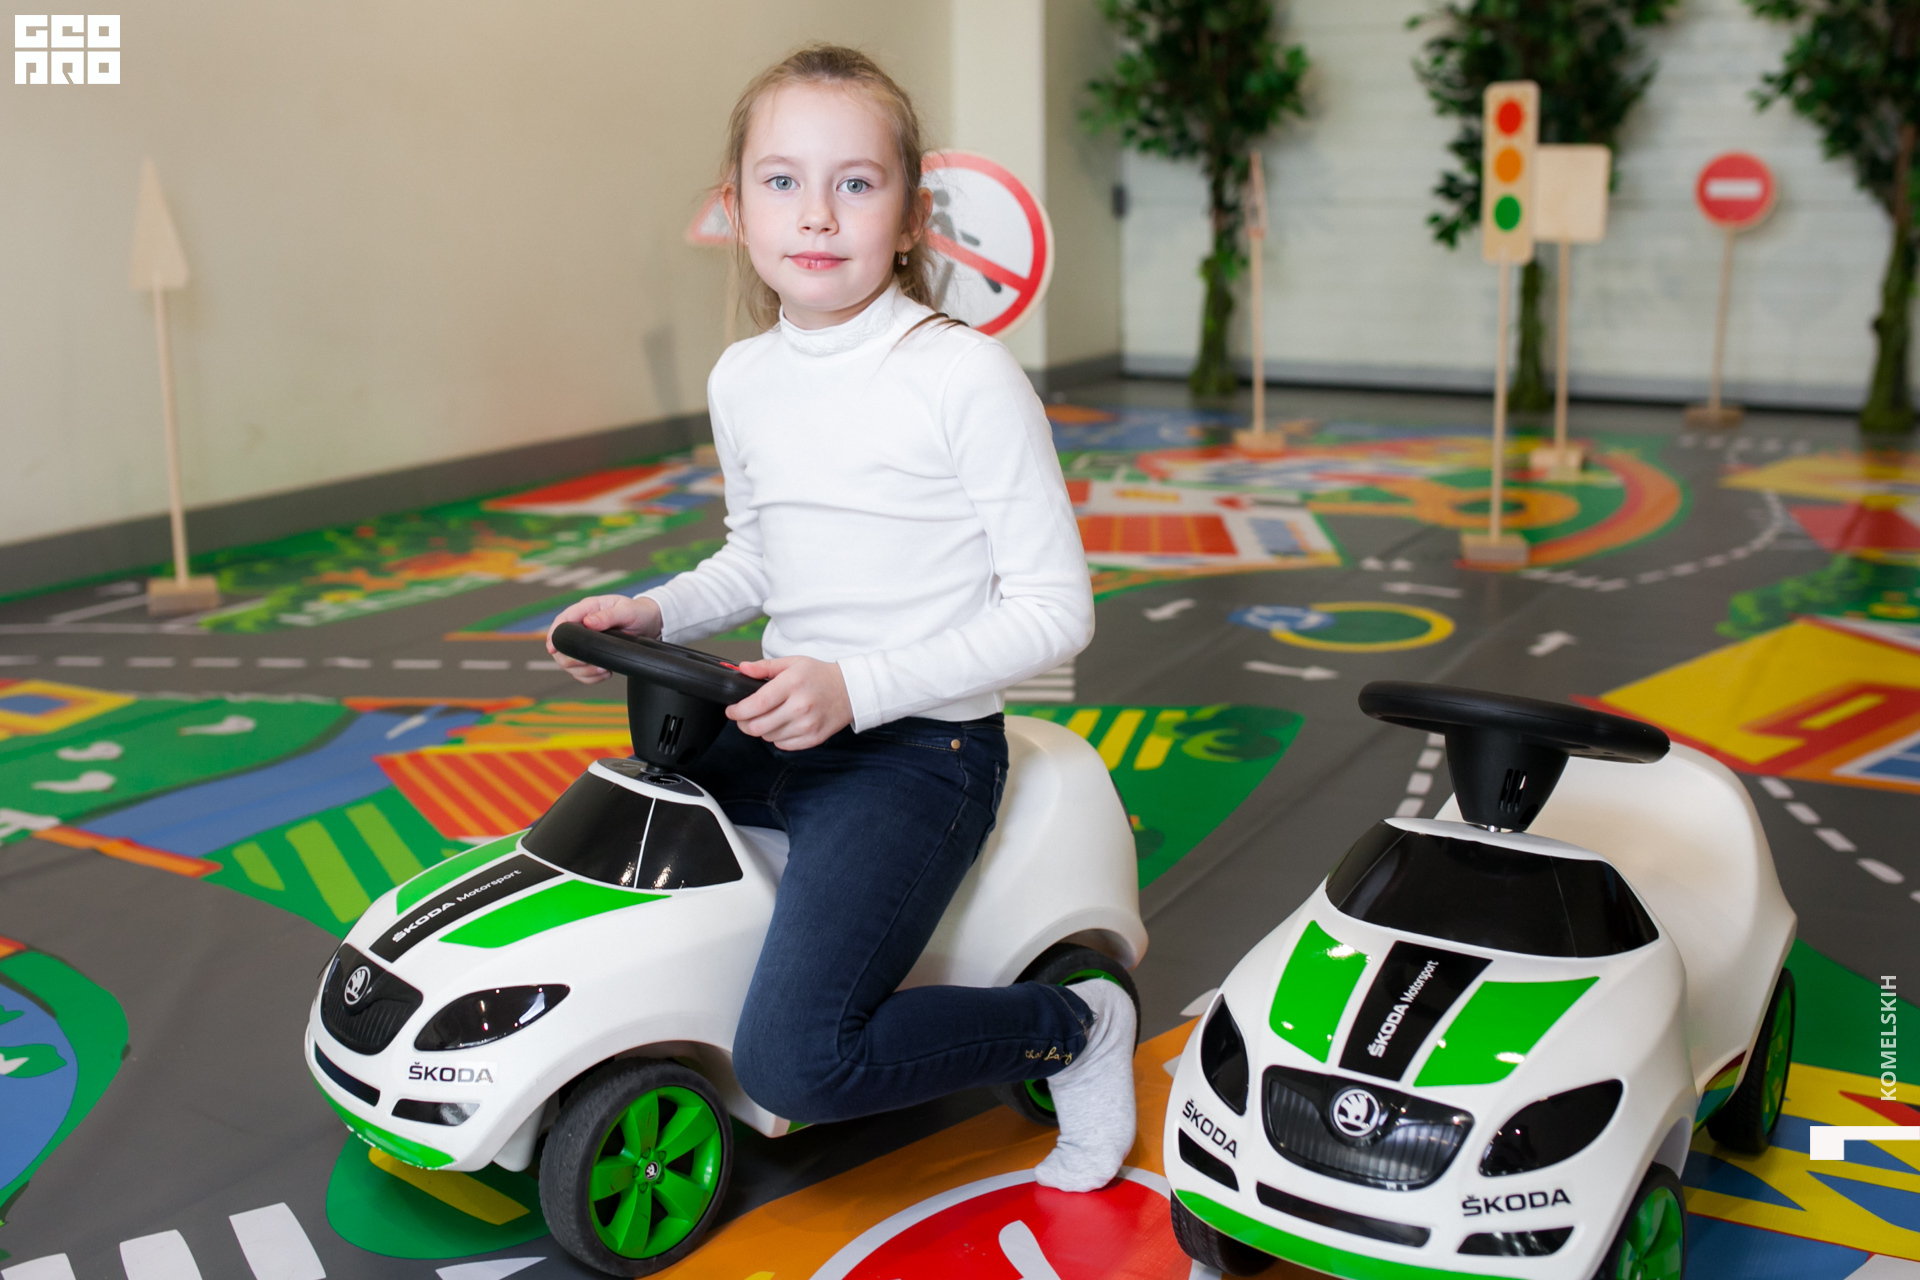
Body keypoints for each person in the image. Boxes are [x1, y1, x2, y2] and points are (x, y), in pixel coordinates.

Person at [546, 45, 1134, 1191]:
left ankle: (1073, 1026)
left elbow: (1057, 612)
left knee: (798, 1062)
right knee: (612, 839)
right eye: (782, 180)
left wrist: (856, 688)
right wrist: (654, 609)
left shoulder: (963, 375)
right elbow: (760, 554)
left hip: (919, 753)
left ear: (911, 217)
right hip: (776, 720)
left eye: (855, 183)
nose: (816, 213)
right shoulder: (742, 376)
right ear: (735, 208)